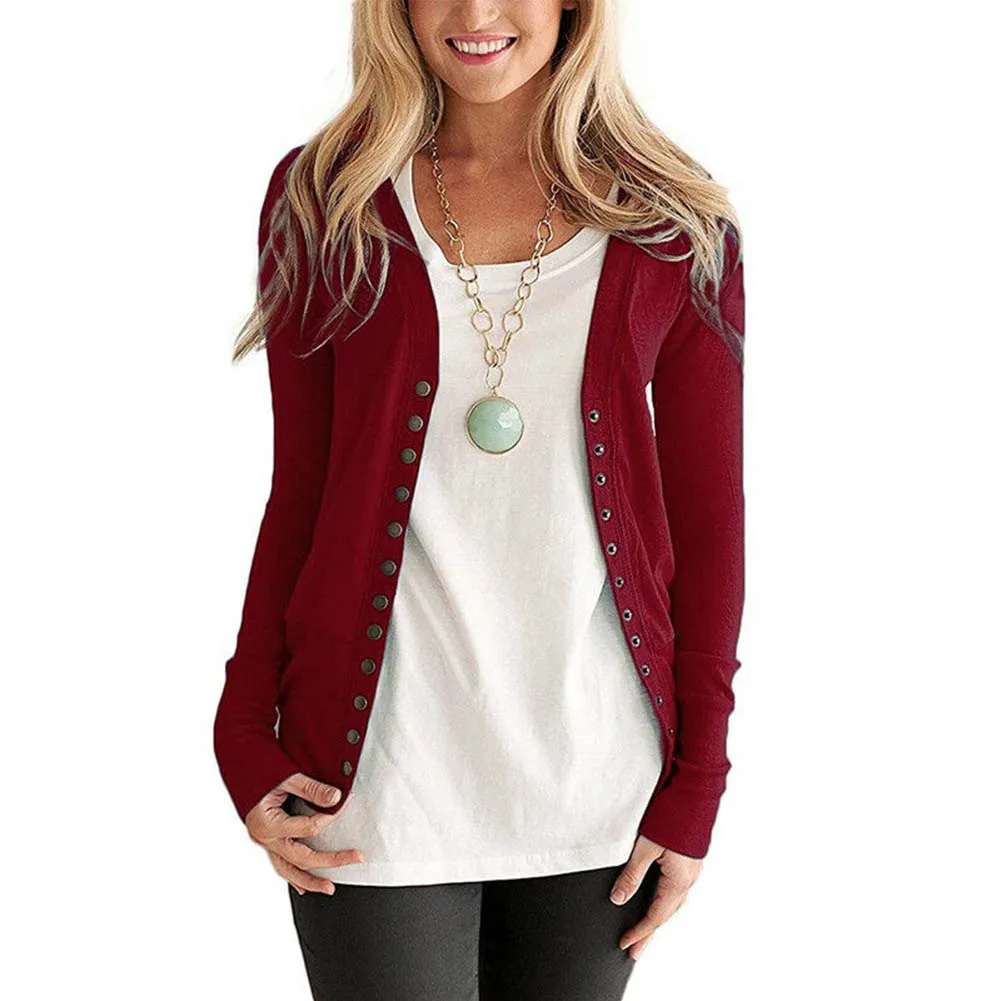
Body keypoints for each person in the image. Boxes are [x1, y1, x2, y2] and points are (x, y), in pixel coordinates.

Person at [213, 1, 746, 997]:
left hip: (597, 781)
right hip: (374, 775)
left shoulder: (674, 220)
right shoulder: (326, 197)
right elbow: (301, 490)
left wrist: (698, 782)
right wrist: (242, 727)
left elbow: (710, 523)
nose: (474, 13)